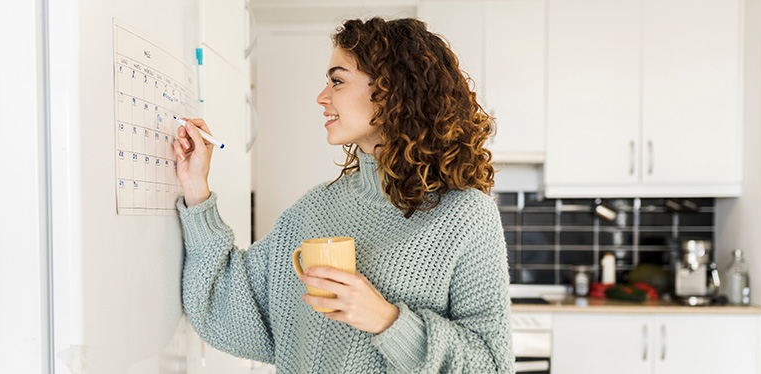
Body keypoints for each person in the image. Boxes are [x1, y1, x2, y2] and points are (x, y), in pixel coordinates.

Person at [173, 17, 514, 373]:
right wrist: (197, 188)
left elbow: (491, 365)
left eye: (337, 81)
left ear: (392, 89)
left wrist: (388, 321)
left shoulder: (466, 216)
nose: (322, 97)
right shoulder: (315, 208)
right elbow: (226, 306)